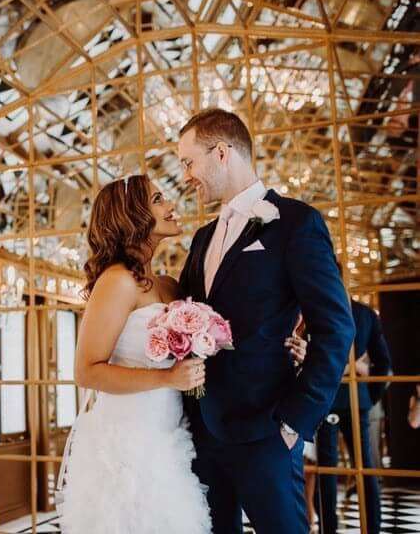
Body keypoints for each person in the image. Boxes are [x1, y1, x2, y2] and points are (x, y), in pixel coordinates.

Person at [56, 174, 308, 533]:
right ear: (132, 214)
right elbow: (87, 371)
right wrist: (167, 377)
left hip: (175, 439)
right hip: (131, 443)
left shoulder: (170, 284)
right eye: (158, 199)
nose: (171, 205)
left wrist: (282, 346)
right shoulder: (116, 282)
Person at [177, 108, 355, 534]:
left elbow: (335, 326)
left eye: (188, 161)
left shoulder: (296, 223)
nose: (184, 176)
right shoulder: (202, 238)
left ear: (221, 153)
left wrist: (295, 420)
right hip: (203, 433)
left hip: (267, 433)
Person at [316, 299, 391, 534]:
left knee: (327, 469)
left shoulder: (319, 306)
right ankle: (372, 527)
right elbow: (384, 364)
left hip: (326, 396)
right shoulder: (365, 314)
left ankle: (328, 528)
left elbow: (316, 357)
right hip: (356, 399)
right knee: (364, 467)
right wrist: (369, 396)